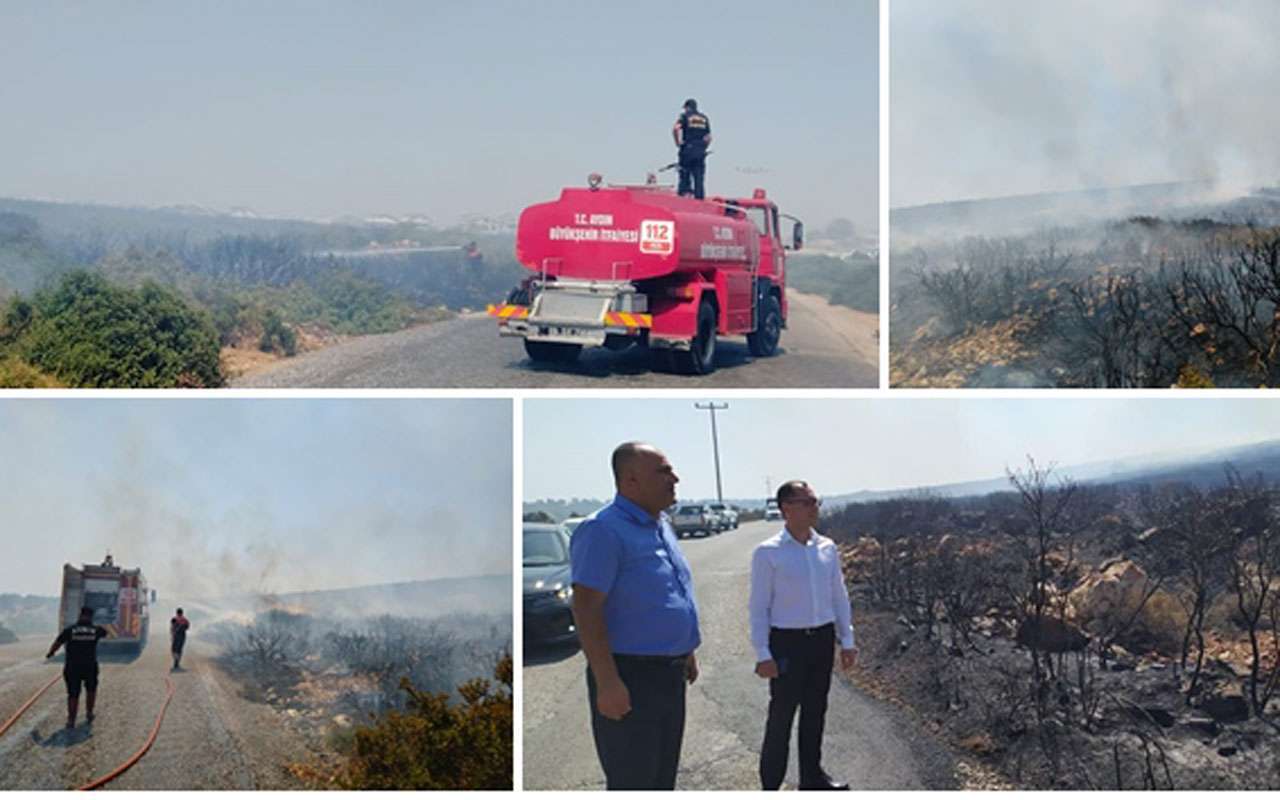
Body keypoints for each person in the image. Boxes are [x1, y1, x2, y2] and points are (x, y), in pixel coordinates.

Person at [570, 442, 701, 790]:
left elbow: (668, 591)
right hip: (631, 676)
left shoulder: (660, 524)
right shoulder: (603, 530)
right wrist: (608, 683)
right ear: (630, 481)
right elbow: (586, 608)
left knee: (662, 779)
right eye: (663, 471)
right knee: (634, 781)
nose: (674, 478)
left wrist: (686, 650)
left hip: (668, 675)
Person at [749, 480, 858, 791]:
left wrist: (847, 641)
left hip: (821, 639)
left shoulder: (827, 548)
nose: (814, 508)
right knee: (781, 716)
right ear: (786, 508)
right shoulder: (768, 553)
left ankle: (812, 779)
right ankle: (770, 785)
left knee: (815, 711)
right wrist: (763, 653)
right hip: (787, 643)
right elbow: (758, 607)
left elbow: (839, 596)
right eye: (807, 502)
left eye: (815, 501)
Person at [46, 606, 109, 729]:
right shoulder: (96, 630)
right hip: (90, 666)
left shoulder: (70, 630)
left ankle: (71, 720)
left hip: (72, 667)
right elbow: (105, 633)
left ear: (80, 615)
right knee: (91, 690)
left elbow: (58, 643)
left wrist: (51, 653)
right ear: (91, 617)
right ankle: (89, 713)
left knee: (73, 694)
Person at [672, 98, 711, 200]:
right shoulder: (704, 118)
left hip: (687, 149)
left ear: (687, 107)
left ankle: (685, 197)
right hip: (700, 151)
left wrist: (678, 143)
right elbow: (708, 137)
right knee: (699, 178)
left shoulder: (685, 116)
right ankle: (699, 199)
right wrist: (703, 147)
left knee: (685, 174)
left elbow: (676, 128)